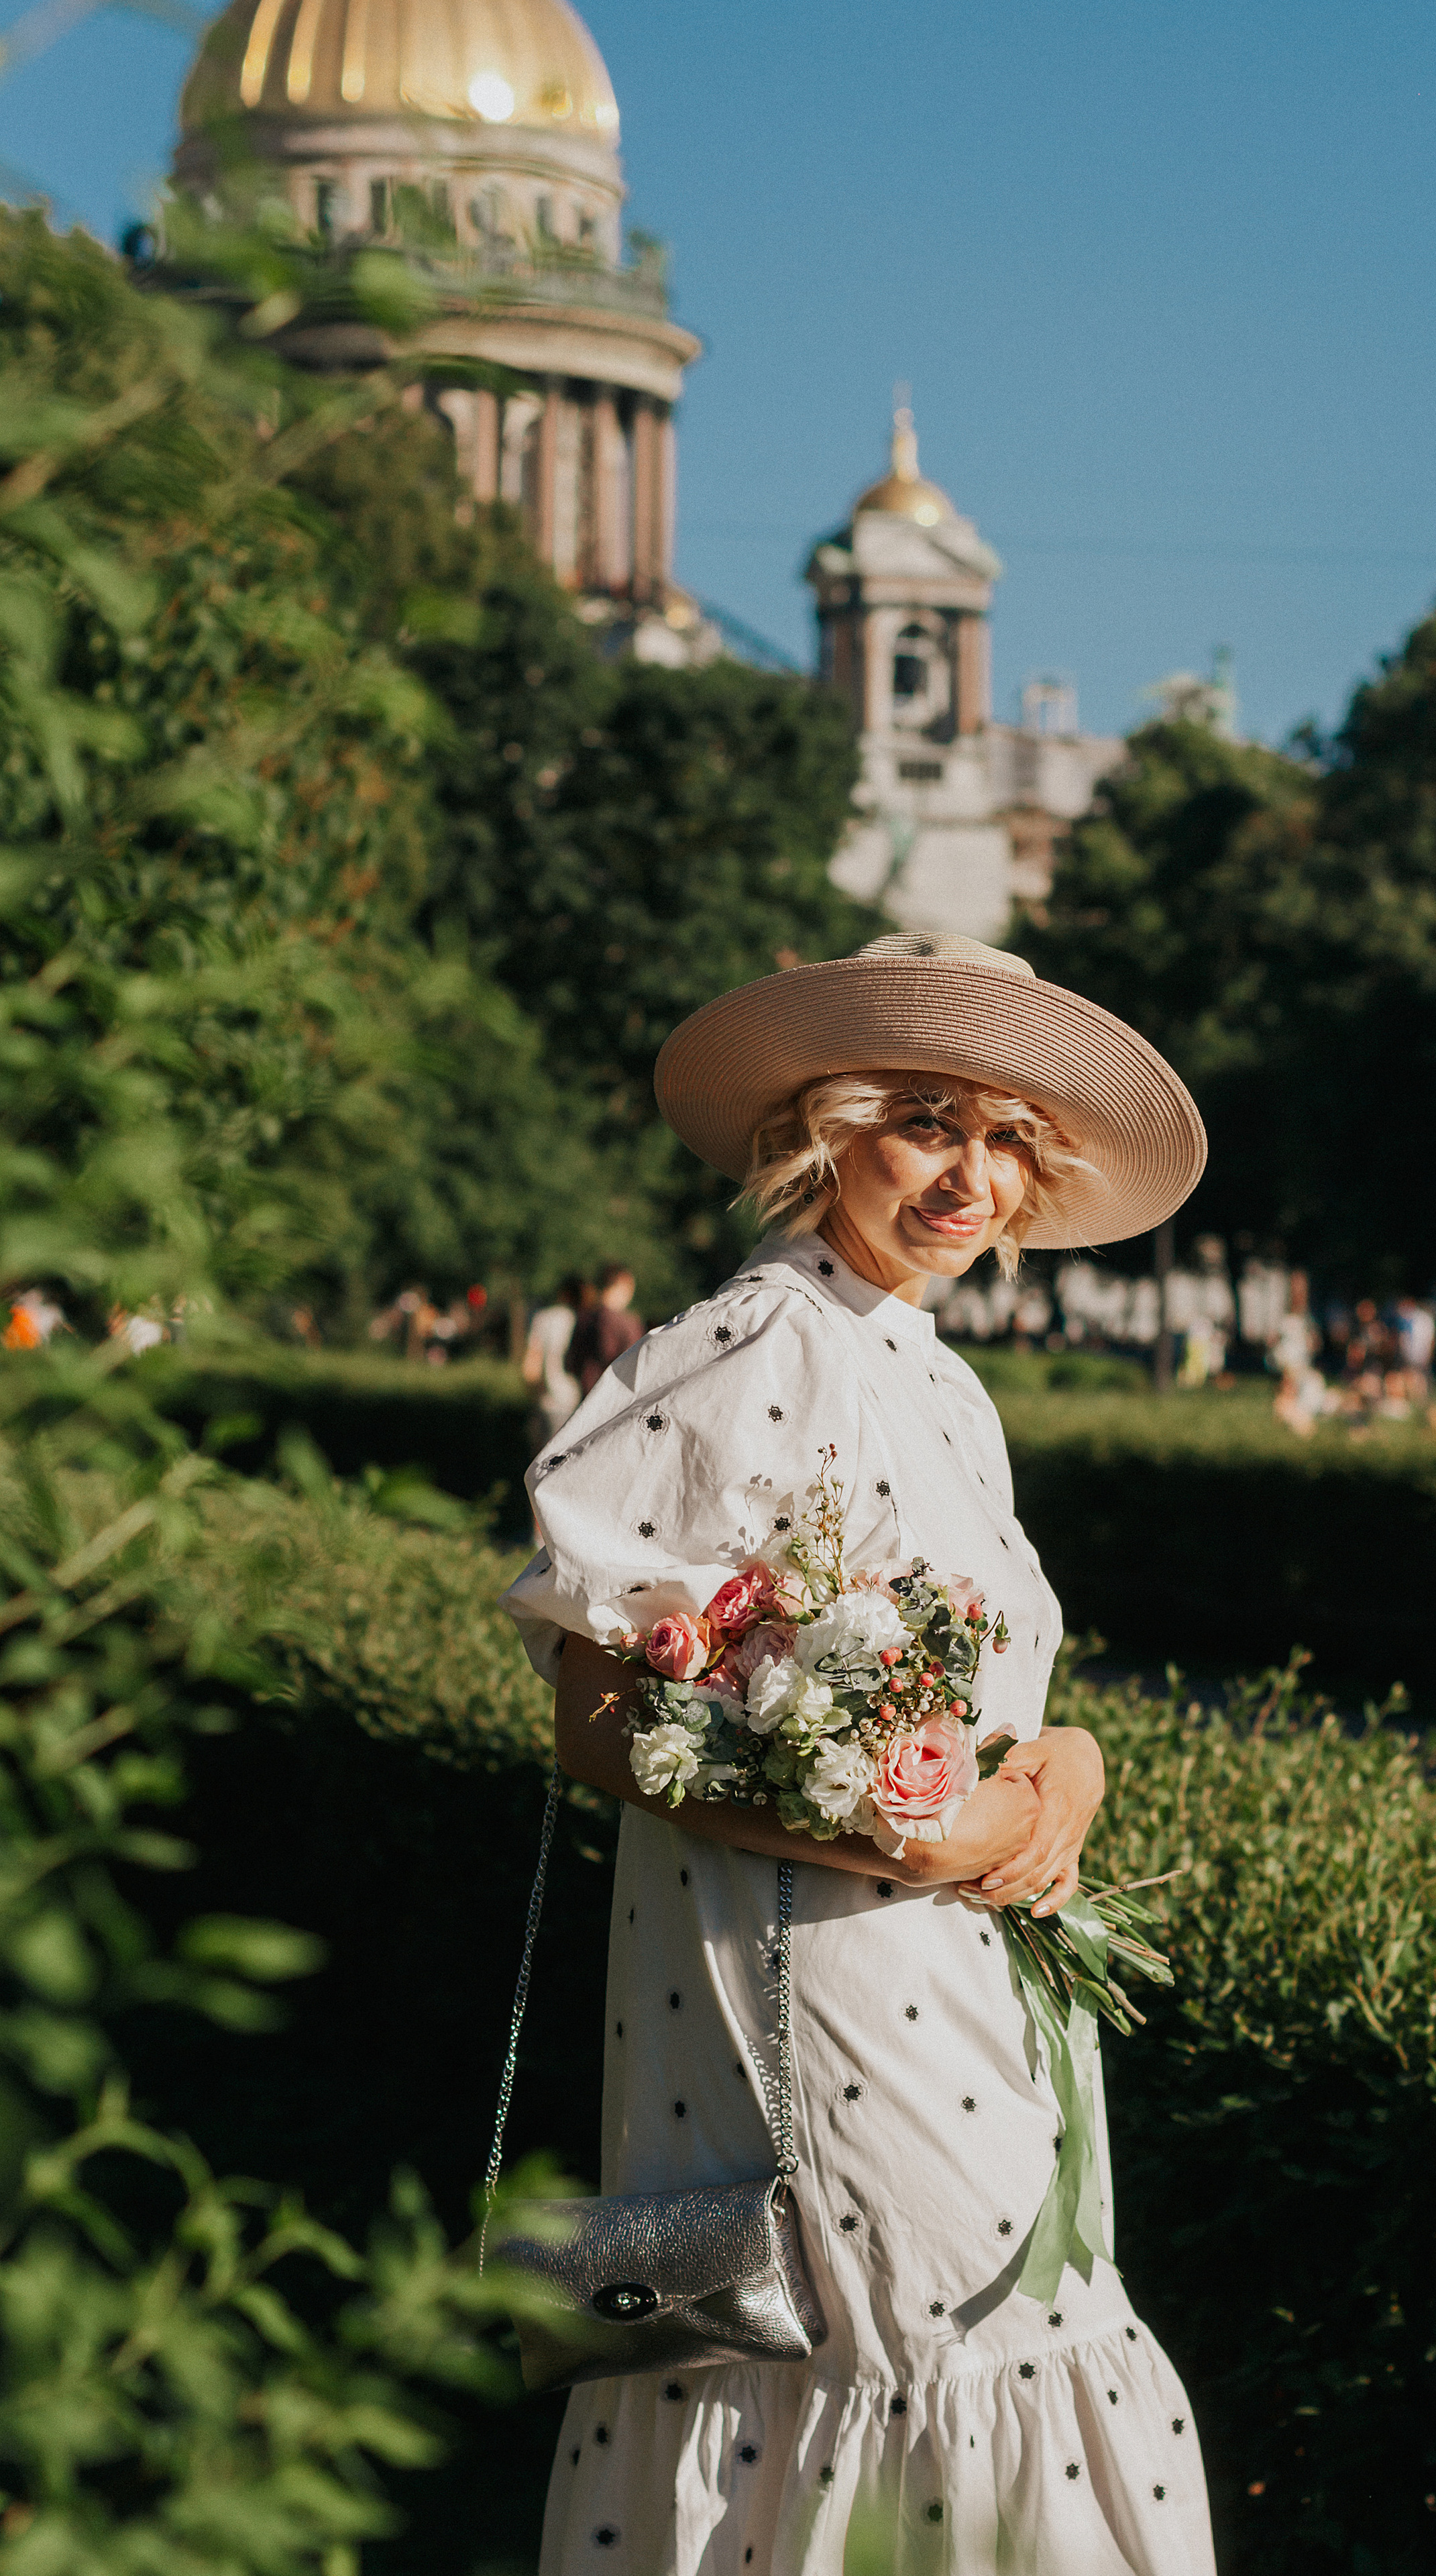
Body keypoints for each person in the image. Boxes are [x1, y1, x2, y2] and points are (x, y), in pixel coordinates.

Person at [504, 931, 1217, 2576]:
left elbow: (979, 1699)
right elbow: (598, 1717)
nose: (971, 1173)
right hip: (812, 2000)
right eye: (925, 1121)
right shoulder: (756, 1341)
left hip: (969, 1985)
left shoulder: (934, 1372)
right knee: (885, 2349)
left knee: (991, 2333)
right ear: (825, 1130)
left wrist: (1072, 1762)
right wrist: (928, 1842)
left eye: (1005, 1139)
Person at [522, 1277, 584, 1446]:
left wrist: (534, 1396)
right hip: (580, 1399)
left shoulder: (545, 1317)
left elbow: (531, 1366)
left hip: (550, 1401)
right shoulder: (588, 1319)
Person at [571, 1258, 643, 1395]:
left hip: (586, 1398)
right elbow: (636, 1369)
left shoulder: (583, 1318)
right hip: (617, 1401)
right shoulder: (628, 1324)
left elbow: (571, 1363)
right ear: (624, 1283)